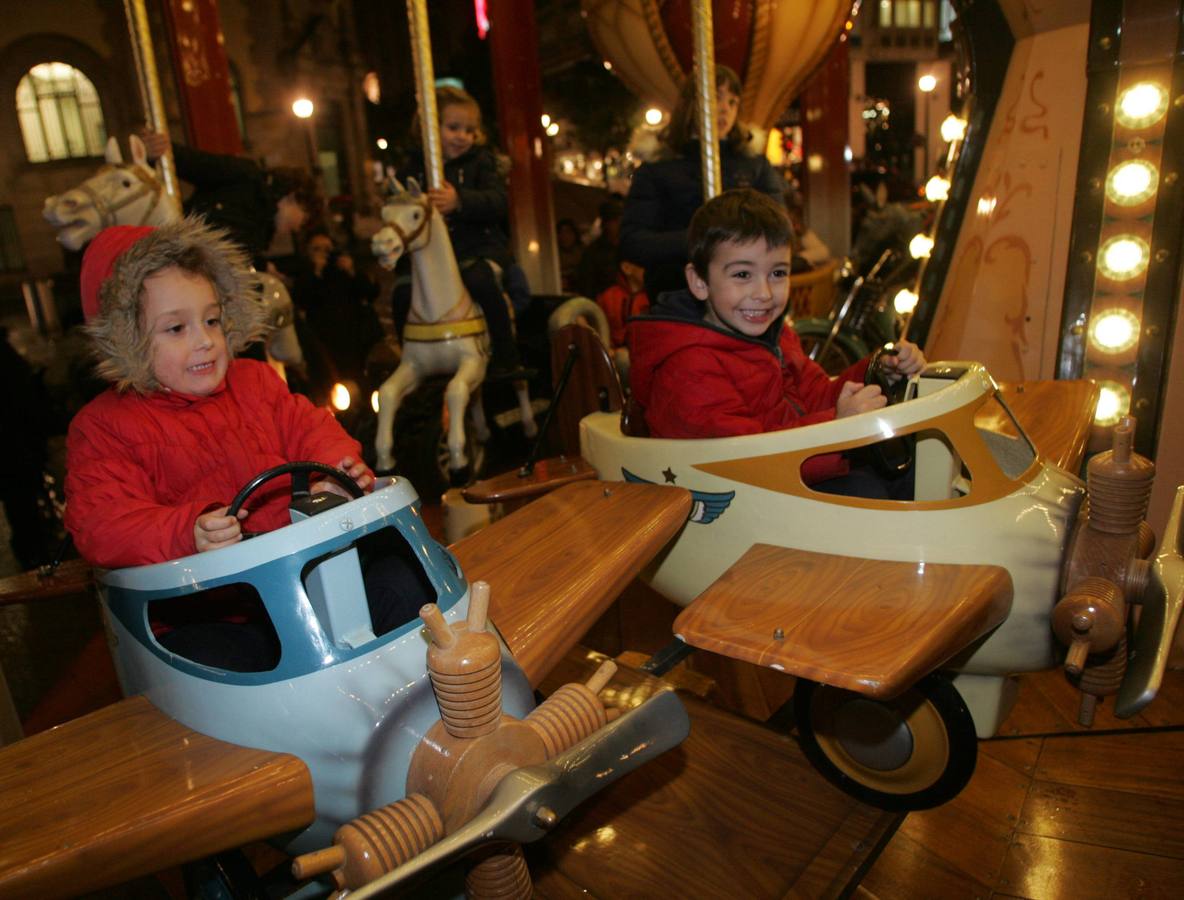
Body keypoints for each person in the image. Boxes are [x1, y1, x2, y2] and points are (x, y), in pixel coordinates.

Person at [63, 219, 427, 668]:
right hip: (213, 606)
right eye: (176, 329)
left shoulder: (253, 382)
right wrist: (186, 531)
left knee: (404, 579)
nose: (205, 341)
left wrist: (335, 469)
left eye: (212, 320)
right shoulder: (104, 426)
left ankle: (429, 690)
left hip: (302, 575)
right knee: (220, 659)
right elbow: (102, 521)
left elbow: (307, 425)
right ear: (127, 340)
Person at [628, 189, 925, 496]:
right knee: (868, 491)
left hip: (792, 469)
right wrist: (838, 425)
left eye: (778, 273)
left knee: (917, 463)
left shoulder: (776, 336)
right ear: (699, 282)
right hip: (744, 493)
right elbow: (743, 461)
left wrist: (876, 376)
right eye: (743, 274)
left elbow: (817, 394)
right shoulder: (689, 367)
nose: (765, 293)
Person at [620, 65, 787, 302]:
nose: (724, 109)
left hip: (748, 296)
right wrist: (699, 239)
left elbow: (779, 227)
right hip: (679, 296)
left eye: (732, 102)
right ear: (692, 103)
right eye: (716, 98)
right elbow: (633, 242)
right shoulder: (658, 168)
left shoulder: (754, 164)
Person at [393, 85, 522, 376]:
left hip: (475, 248)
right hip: (430, 258)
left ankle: (506, 352)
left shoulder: (481, 163)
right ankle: (410, 357)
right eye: (453, 127)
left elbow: (498, 200)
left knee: (481, 281)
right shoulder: (413, 168)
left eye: (469, 130)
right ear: (430, 127)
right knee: (402, 292)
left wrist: (460, 200)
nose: (462, 136)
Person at [292, 231, 384, 383]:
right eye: (316, 249)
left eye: (327, 249)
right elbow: (302, 298)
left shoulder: (343, 271)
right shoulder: (305, 273)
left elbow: (370, 292)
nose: (323, 254)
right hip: (323, 342)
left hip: (352, 339)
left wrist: (351, 271)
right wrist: (316, 271)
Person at [575, 199, 625, 300]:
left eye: (621, 221)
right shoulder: (593, 252)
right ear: (605, 223)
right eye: (615, 221)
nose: (619, 225)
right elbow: (586, 285)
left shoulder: (629, 248)